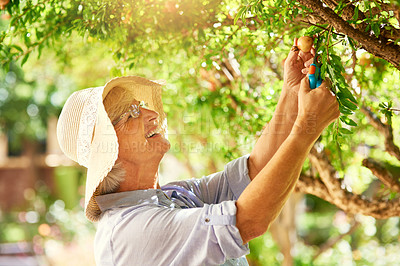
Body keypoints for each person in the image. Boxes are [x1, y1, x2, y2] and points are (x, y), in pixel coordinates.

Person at [56, 38, 339, 266]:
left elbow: (253, 172)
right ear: (111, 148)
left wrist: (291, 93)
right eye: (132, 112)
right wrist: (305, 129)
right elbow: (247, 220)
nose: (153, 113)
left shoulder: (169, 197)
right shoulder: (131, 229)